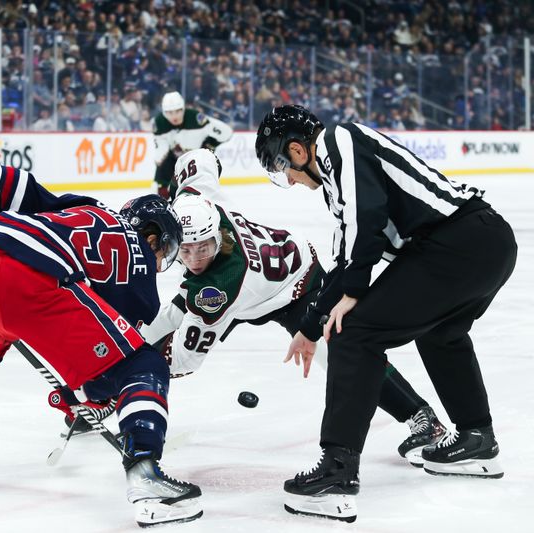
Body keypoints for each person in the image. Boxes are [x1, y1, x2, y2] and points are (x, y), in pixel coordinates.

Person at [0, 164, 203, 528]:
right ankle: (146, 475)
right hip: (33, 280)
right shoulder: (139, 263)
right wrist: (86, 396)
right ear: (154, 237)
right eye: (166, 250)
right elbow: (108, 367)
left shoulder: (83, 207)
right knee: (144, 366)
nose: (160, 262)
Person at [255, 105, 517, 522]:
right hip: (485, 245)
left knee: (353, 333)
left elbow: (367, 226)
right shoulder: (336, 175)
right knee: (442, 333)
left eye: (283, 167)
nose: (288, 179)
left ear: (297, 150)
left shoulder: (337, 142)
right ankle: (476, 441)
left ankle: (337, 472)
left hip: (459, 243)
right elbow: (345, 262)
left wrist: (353, 296)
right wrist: (309, 325)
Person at [140, 148, 446, 466]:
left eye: (203, 248)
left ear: (217, 235)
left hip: (296, 284)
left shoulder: (216, 288)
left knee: (345, 354)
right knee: (158, 332)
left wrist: (127, 371)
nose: (194, 259)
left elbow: (184, 359)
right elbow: (202, 159)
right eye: (185, 250)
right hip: (252, 283)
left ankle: (423, 418)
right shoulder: (195, 199)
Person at [152, 91, 232, 199]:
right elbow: (161, 150)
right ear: (164, 112)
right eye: (169, 112)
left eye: (177, 111)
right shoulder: (159, 122)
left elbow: (226, 132)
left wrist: (210, 145)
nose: (174, 116)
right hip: (175, 160)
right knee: (162, 171)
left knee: (201, 190)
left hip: (197, 160)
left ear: (183, 108)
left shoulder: (196, 118)